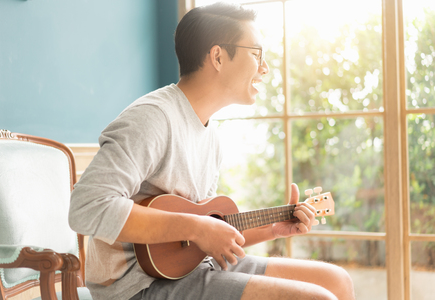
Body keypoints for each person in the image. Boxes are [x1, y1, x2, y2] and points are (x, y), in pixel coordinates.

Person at [69, 2, 355, 300]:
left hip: (193, 269)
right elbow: (86, 208)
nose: (265, 68)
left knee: (337, 281)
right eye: (257, 54)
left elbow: (198, 239)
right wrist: (197, 228)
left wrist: (273, 229)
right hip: (138, 288)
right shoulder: (151, 119)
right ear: (218, 56)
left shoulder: (210, 134)